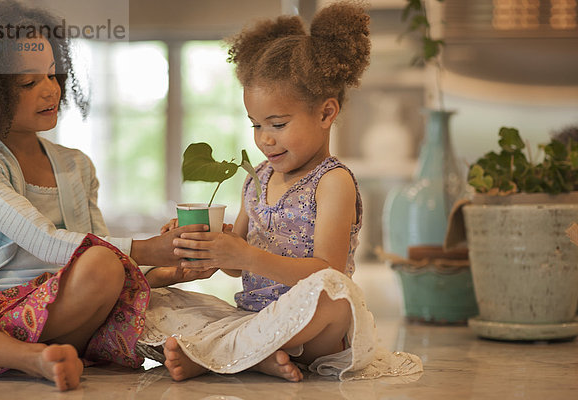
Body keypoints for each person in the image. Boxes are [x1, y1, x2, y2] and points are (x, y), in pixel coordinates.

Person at [139, 1, 422, 383]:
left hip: (315, 328)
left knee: (334, 293)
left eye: (277, 123)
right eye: (256, 124)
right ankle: (257, 355)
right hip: (255, 318)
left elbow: (328, 270)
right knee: (155, 303)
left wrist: (246, 255)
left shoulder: (331, 181)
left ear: (325, 114)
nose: (265, 139)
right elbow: (235, 262)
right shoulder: (257, 179)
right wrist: (210, 244)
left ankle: (215, 354)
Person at [0, 0, 215, 391]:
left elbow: (104, 259)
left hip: (66, 308)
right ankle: (31, 357)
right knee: (104, 258)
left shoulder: (76, 165)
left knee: (104, 264)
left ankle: (46, 354)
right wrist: (152, 248)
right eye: (28, 83)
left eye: (53, 75)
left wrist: (166, 272)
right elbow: (43, 239)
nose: (50, 89)